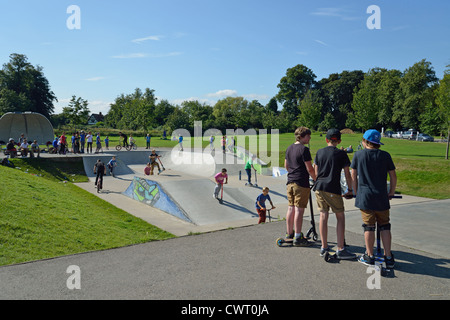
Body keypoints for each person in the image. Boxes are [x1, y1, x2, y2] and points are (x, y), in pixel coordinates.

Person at [351, 129, 397, 269]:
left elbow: (354, 176)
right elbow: (393, 176)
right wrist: (391, 191)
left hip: (365, 197)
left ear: (365, 142)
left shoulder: (358, 155)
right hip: (381, 196)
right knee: (385, 225)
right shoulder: (385, 155)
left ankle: (369, 255)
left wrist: (356, 192)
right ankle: (388, 256)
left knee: (369, 227)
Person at [313, 129, 355, 259]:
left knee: (323, 215)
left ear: (326, 139)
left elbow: (315, 172)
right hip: (333, 188)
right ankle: (341, 248)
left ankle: (324, 246)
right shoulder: (341, 154)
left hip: (319, 187)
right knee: (340, 217)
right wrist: (350, 189)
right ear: (339, 141)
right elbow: (347, 174)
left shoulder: (319, 152)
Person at [284, 127, 317, 246]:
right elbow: (310, 168)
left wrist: (293, 172)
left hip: (290, 181)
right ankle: (298, 236)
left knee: (291, 208)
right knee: (299, 209)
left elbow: (286, 166)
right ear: (302, 136)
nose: (310, 138)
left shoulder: (289, 148)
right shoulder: (304, 150)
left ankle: (289, 233)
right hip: (301, 183)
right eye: (308, 136)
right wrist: (316, 179)